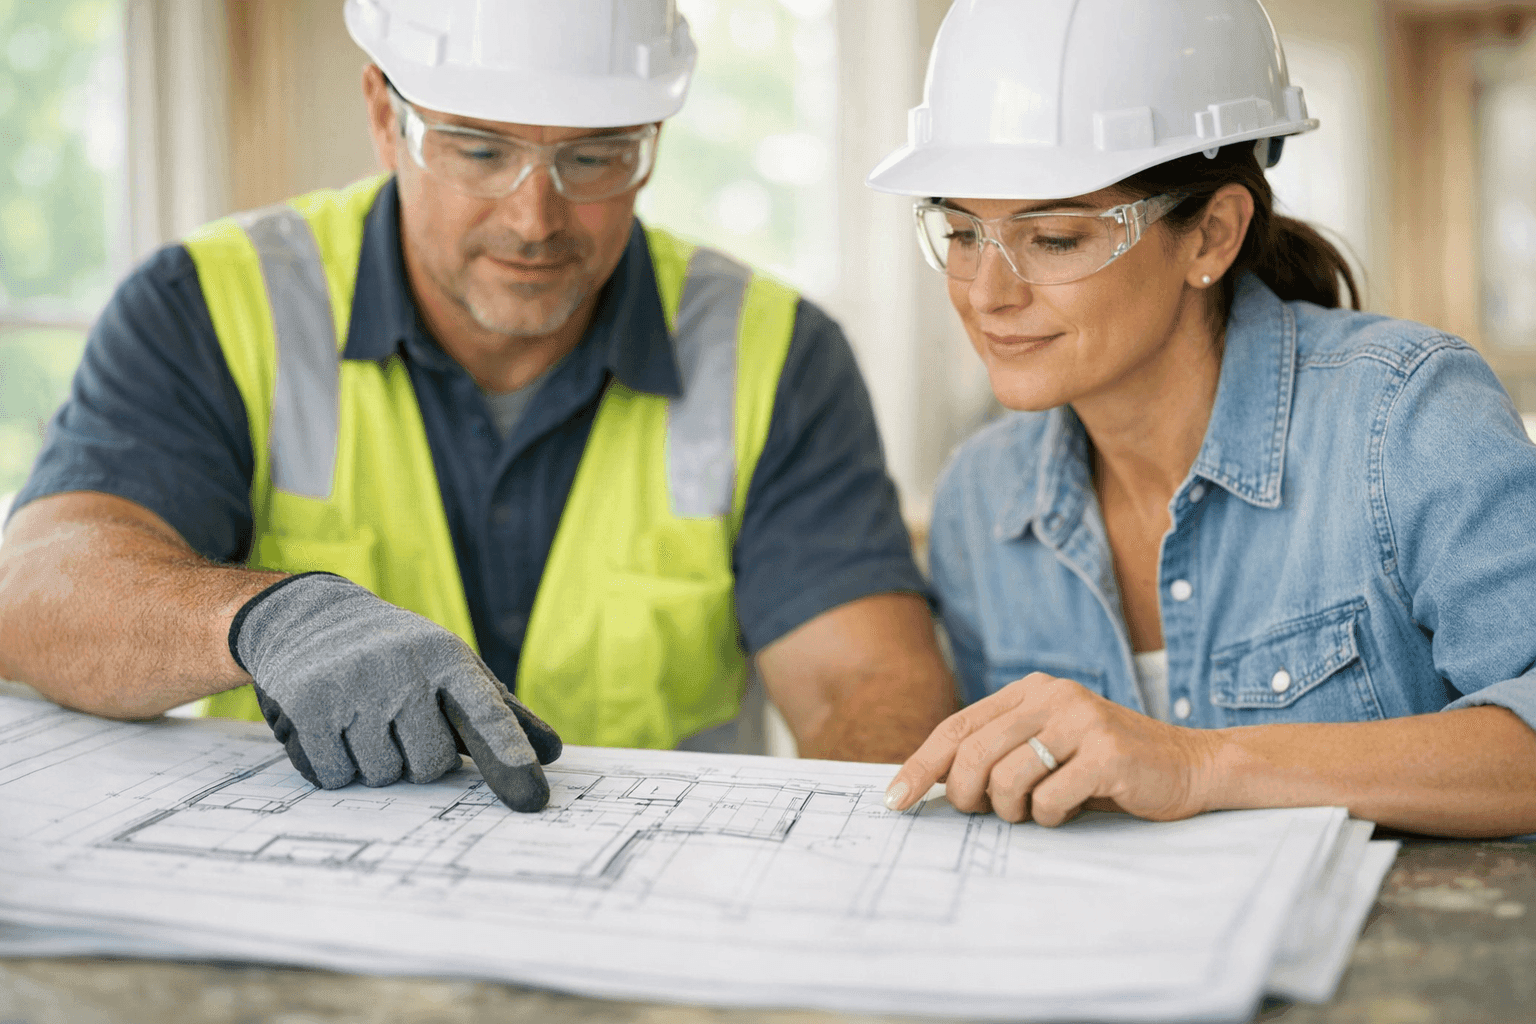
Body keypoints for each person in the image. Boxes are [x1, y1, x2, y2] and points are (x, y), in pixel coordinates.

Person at [0, 0, 954, 813]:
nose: (533, 218)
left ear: (652, 145)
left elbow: (867, 691)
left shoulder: (776, 352)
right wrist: (261, 619)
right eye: (479, 149)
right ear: (384, 113)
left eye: (593, 159)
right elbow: (35, 591)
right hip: (306, 919)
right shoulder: (209, 305)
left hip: (652, 935)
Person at [871, 0, 1536, 837]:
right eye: (962, 233)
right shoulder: (983, 499)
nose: (989, 294)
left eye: (1055, 238)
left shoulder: (1406, 417)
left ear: (1212, 237)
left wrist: (1199, 766)